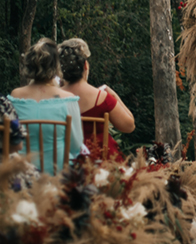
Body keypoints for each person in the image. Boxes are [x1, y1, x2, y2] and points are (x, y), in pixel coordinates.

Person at [8, 38, 83, 174]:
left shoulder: (16, 96)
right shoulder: (68, 100)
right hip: (58, 178)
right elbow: (76, 145)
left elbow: (10, 142)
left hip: (22, 176)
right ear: (56, 66)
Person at [58, 38, 135, 156]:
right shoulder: (102, 97)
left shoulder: (53, 99)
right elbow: (129, 126)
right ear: (85, 66)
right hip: (102, 167)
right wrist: (113, 95)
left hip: (66, 164)